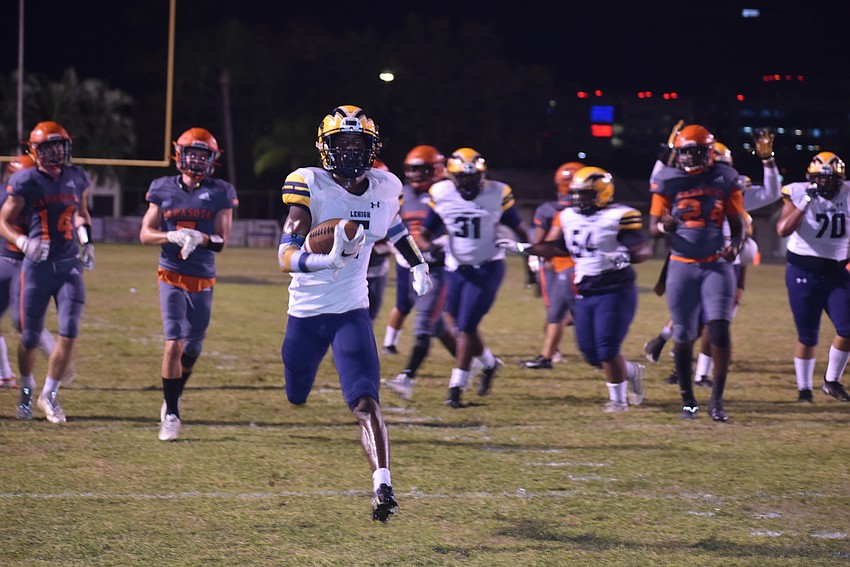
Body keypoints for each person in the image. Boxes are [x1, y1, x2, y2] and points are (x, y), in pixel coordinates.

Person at [276, 105, 432, 522]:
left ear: (372, 148)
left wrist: (416, 263)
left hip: (351, 310)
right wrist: (322, 262)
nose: (348, 151)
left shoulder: (385, 185)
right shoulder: (309, 183)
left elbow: (393, 227)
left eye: (356, 143)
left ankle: (383, 484)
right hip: (307, 311)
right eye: (340, 143)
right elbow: (285, 255)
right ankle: (299, 385)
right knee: (296, 393)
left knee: (366, 401)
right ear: (325, 148)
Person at [644, 129, 781, 386]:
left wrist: (768, 161)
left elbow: (771, 193)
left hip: (728, 258)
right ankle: (679, 361)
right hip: (692, 255)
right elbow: (659, 186)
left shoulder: (728, 184)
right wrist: (665, 154)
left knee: (715, 320)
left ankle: (698, 370)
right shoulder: (682, 183)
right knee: (691, 317)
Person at [516, 167, 650, 412]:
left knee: (607, 349)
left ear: (602, 193)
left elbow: (642, 249)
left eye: (586, 194)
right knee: (591, 353)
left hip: (615, 289)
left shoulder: (620, 215)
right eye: (577, 194)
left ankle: (618, 401)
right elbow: (560, 247)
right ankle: (630, 370)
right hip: (585, 290)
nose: (579, 199)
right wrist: (525, 249)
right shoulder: (569, 216)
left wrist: (627, 257)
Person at [139, 127, 238, 441]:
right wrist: (170, 235)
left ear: (212, 159)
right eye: (192, 153)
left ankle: (173, 394)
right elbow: (145, 233)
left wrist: (201, 237)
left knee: (194, 345)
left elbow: (222, 241)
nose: (196, 159)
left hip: (203, 276)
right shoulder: (162, 187)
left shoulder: (221, 190)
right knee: (174, 342)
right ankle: (171, 413)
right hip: (170, 273)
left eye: (203, 154)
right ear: (179, 154)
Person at [416, 147, 529, 408]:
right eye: (462, 177)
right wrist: (429, 246)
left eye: (472, 176)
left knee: (466, 328)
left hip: (488, 266)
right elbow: (424, 232)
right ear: (451, 177)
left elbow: (521, 230)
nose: (468, 182)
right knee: (454, 320)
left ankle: (455, 388)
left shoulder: (497, 192)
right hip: (456, 267)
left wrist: (530, 260)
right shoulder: (441, 193)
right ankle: (489, 364)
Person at [648, 124, 746, 422]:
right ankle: (688, 400)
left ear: (709, 151)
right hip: (681, 264)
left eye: (696, 151)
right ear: (678, 153)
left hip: (716, 263)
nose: (690, 157)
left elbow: (738, 224)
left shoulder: (725, 177)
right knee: (684, 334)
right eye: (686, 151)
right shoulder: (667, 180)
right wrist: (666, 226)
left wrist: (735, 247)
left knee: (719, 328)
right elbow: (653, 229)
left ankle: (717, 400)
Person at [0, 121, 94, 423]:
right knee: (29, 337)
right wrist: (22, 241)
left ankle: (49, 396)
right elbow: (3, 221)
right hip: (37, 267)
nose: (56, 152)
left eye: (59, 145)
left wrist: (86, 241)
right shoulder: (26, 180)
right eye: (49, 146)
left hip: (68, 266)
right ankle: (27, 389)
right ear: (35, 150)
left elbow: (81, 213)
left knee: (69, 332)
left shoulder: (78, 177)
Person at [383, 145, 473, 400]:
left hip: (439, 268)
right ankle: (481, 362)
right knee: (436, 326)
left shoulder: (448, 192)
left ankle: (407, 378)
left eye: (421, 169)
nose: (415, 175)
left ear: (436, 169)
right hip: (410, 265)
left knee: (424, 323)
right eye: (411, 169)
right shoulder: (401, 193)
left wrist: (442, 245)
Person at [776, 152, 850, 403]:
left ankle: (831, 381)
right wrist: (806, 200)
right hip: (802, 270)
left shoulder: (848, 194)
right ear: (811, 178)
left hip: (837, 272)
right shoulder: (799, 192)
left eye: (831, 179)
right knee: (807, 335)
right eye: (821, 178)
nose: (826, 183)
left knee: (848, 329)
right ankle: (804, 390)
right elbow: (783, 229)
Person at [519, 161, 583, 369]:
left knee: (559, 312)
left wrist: (539, 259)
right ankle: (549, 354)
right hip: (578, 265)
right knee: (561, 312)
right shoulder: (588, 208)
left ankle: (552, 353)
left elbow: (539, 242)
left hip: (557, 265)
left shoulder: (549, 209)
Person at [366, 159, 392, 321]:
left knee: (369, 318)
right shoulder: (342, 203)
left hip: (376, 270)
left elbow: (395, 240)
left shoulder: (389, 205)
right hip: (346, 272)